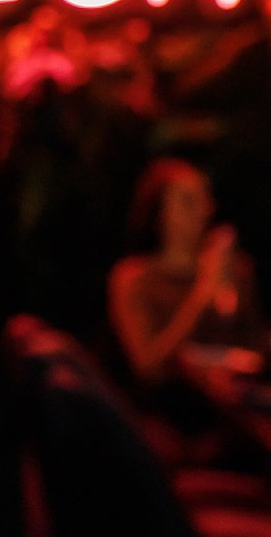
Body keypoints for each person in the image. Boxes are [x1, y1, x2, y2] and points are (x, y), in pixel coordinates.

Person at [109, 158, 266, 392]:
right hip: (169, 404)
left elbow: (254, 346)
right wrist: (203, 294)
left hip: (234, 400)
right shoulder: (133, 278)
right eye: (188, 201)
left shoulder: (235, 266)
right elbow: (148, 366)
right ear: (159, 213)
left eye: (205, 199)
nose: (203, 210)